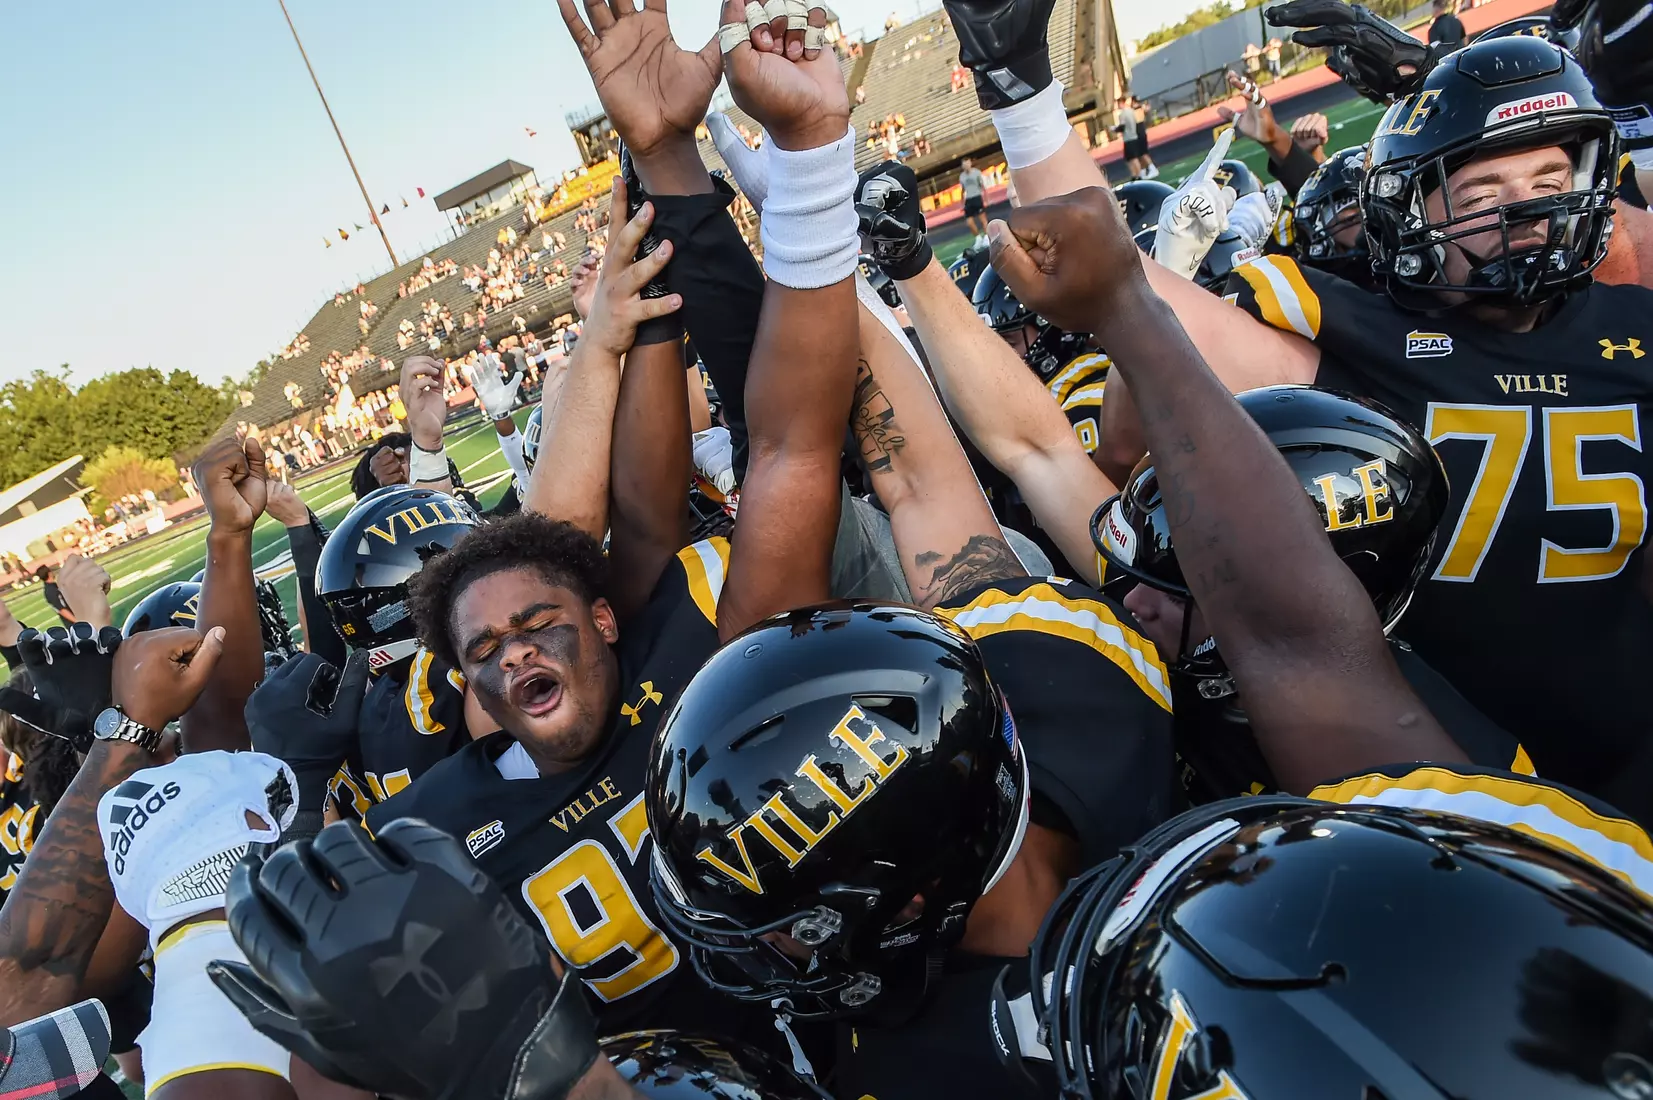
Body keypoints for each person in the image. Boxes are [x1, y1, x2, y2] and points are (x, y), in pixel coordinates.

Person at [958, 157, 988, 247]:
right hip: (969, 199)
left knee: (983, 219)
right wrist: (961, 203)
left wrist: (986, 199)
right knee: (969, 222)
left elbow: (982, 186)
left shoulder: (977, 172)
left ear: (970, 163)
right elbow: (962, 190)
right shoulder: (962, 176)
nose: (966, 165)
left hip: (977, 197)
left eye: (967, 163)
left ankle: (986, 237)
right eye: (964, 164)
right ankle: (978, 238)